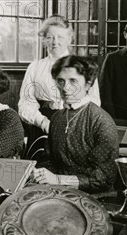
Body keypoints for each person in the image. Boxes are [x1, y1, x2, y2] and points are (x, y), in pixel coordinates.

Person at [30, 56, 119, 194]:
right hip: (58, 193)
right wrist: (40, 174)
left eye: (73, 81)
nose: (65, 88)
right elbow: (49, 161)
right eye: (60, 81)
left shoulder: (101, 121)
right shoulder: (57, 118)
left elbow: (103, 178)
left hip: (95, 198)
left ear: (88, 84)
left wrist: (58, 180)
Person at [18, 15, 101, 138]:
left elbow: (94, 101)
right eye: (50, 37)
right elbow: (25, 102)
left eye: (60, 37)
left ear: (69, 39)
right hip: (42, 126)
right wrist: (42, 122)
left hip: (76, 123)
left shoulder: (83, 67)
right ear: (44, 40)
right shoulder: (34, 68)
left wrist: (74, 118)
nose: (55, 42)